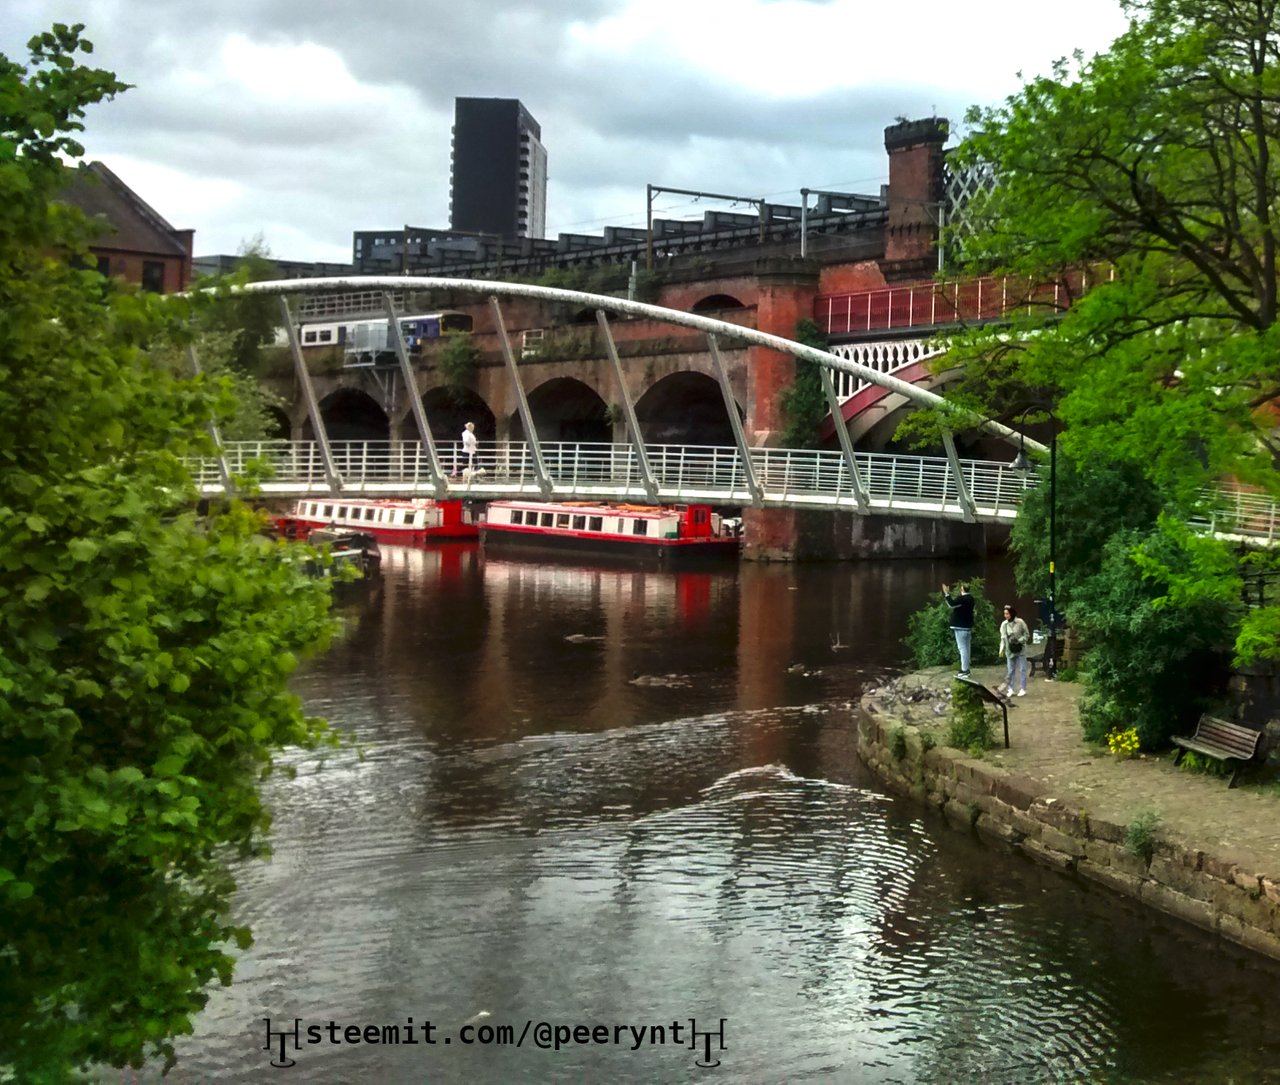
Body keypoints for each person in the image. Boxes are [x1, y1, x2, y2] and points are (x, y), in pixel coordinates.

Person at [941, 582, 974, 677]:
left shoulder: (962, 599)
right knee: (967, 649)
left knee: (962, 649)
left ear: (962, 589)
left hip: (960, 627)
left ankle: (965, 671)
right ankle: (966, 669)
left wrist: (946, 593)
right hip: (968, 627)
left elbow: (951, 604)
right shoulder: (971, 599)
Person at [999, 603, 1031, 697]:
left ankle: (1023, 688)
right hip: (1010, 650)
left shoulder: (1020, 622)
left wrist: (1019, 640)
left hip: (1021, 649)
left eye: (1007, 613)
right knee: (1010, 670)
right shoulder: (1004, 624)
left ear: (1012, 613)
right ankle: (1010, 689)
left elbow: (1027, 634)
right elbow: (1003, 638)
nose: (1006, 616)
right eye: (1005, 614)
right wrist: (1001, 649)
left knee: (1022, 669)